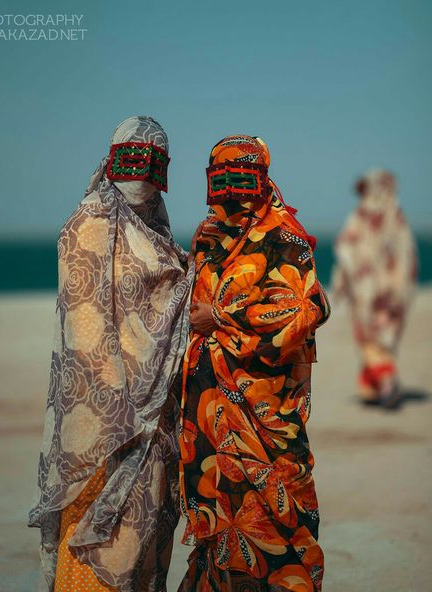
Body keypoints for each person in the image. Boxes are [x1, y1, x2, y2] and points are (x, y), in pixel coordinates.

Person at [29, 116, 193, 592]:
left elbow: (166, 289)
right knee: (98, 557)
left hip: (156, 426)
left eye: (156, 162)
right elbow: (86, 330)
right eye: (134, 158)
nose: (144, 173)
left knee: (144, 555)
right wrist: (121, 413)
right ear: (114, 158)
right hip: (106, 427)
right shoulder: (89, 224)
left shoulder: (154, 229)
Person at [178, 135, 330, 592]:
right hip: (210, 419)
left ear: (262, 180)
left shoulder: (285, 238)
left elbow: (308, 310)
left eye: (242, 180)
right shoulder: (212, 238)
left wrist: (221, 318)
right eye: (220, 181)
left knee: (276, 527)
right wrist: (194, 256)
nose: (231, 193)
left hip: (263, 419)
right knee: (221, 527)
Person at [331, 169, 417, 407]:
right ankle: (371, 388)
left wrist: (341, 283)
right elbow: (408, 257)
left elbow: (344, 249)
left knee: (369, 337)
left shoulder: (362, 215)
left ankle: (386, 382)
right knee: (386, 338)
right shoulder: (397, 217)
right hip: (396, 292)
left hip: (366, 290)